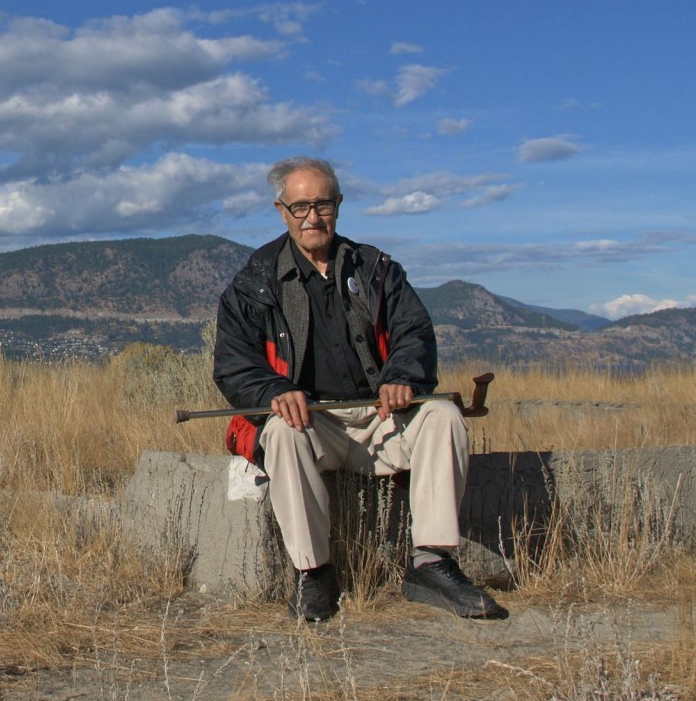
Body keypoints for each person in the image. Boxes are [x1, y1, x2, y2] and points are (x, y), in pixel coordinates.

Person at [211, 156, 505, 622]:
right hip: (313, 424)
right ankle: (314, 574)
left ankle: (430, 564)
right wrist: (275, 390)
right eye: (301, 206)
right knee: (282, 432)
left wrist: (402, 377)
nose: (312, 217)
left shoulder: (376, 269)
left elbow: (414, 332)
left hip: (382, 418)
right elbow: (232, 361)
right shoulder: (255, 281)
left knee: (443, 416)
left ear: (339, 205)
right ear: (282, 211)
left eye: (322, 204)